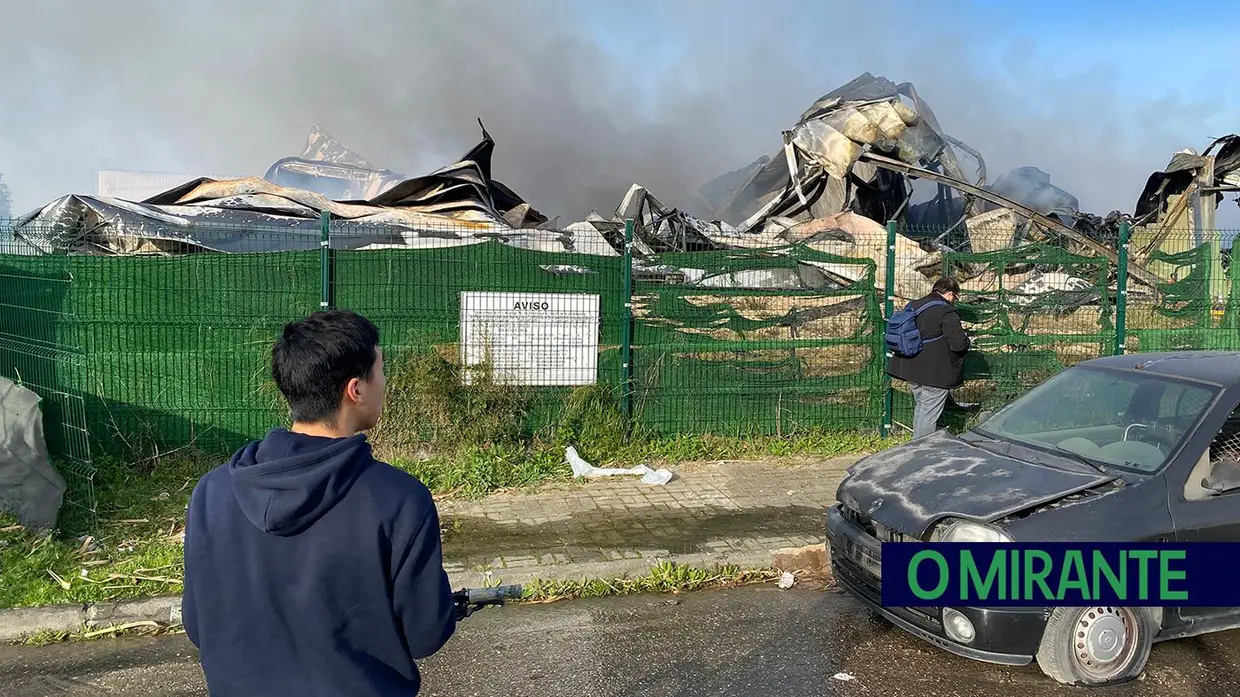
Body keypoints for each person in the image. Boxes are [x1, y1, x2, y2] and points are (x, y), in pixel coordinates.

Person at [182, 310, 456, 696]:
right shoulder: (400, 501)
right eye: (380, 369)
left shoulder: (211, 492)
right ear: (356, 389)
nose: (385, 382)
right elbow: (426, 634)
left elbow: (198, 625)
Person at [886, 277, 971, 439]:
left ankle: (914, 444)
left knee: (922, 408)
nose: (954, 301)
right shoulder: (946, 311)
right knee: (929, 413)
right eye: (955, 298)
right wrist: (967, 340)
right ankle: (921, 449)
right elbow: (958, 344)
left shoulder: (914, 305)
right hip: (935, 373)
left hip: (910, 368)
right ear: (951, 294)